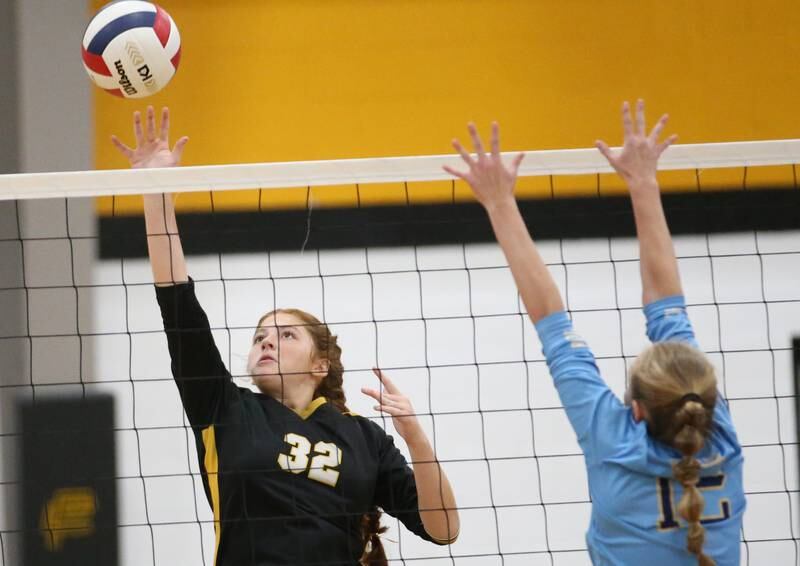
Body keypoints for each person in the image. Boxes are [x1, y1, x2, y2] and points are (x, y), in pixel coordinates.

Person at [112, 106, 459, 566]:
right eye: (260, 337)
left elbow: (444, 530)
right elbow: (177, 302)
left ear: (321, 364)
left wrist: (415, 436)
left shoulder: (363, 438)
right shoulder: (224, 407)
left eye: (286, 335)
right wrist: (156, 192)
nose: (266, 342)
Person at [444, 101, 744, 565]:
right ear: (706, 398)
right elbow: (664, 310)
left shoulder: (615, 441)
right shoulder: (721, 437)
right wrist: (644, 183)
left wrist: (499, 202)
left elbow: (555, 318)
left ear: (638, 410)